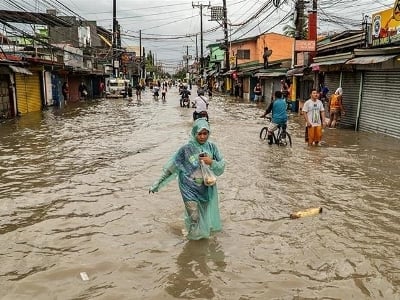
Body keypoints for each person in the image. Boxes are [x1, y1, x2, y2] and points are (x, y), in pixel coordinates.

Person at [149, 118, 225, 240]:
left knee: (204, 215)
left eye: (205, 133)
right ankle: (193, 241)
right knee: (194, 217)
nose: (202, 137)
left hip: (205, 188)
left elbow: (221, 166)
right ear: (194, 133)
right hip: (188, 188)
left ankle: (201, 239)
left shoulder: (212, 148)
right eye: (199, 133)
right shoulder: (185, 149)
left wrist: (211, 162)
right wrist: (158, 183)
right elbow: (172, 167)